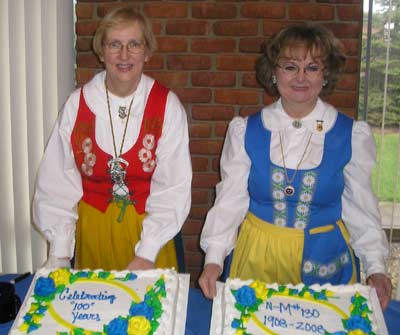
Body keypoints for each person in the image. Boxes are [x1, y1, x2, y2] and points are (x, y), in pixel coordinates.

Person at [198, 24, 392, 310]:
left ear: (326, 75)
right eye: (290, 67)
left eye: (312, 67)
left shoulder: (350, 134)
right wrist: (214, 259)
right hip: (258, 257)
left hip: (325, 260)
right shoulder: (245, 131)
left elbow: (360, 206)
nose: (301, 77)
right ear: (274, 73)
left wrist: (375, 265)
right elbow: (230, 200)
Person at [33, 6, 192, 272]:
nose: (124, 55)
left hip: (149, 232)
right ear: (101, 51)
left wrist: (148, 251)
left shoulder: (166, 106)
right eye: (114, 44)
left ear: (147, 51)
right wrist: (60, 250)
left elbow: (174, 185)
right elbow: (57, 180)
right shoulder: (77, 104)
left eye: (134, 44)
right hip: (93, 232)